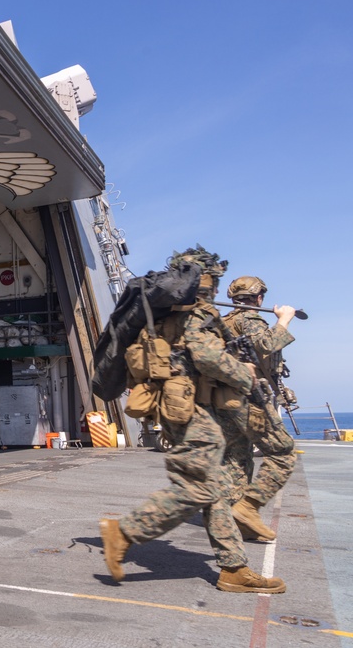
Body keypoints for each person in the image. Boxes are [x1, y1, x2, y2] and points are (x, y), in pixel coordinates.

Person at [99, 247, 285, 594]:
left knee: (211, 489)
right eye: (213, 279)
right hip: (188, 409)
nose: (215, 287)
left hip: (180, 405)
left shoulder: (173, 311)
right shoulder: (195, 312)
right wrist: (244, 375)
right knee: (199, 486)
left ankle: (233, 568)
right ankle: (124, 532)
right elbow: (205, 354)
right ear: (205, 279)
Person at [220, 276, 297, 542]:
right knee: (283, 451)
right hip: (250, 399)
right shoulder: (249, 319)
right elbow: (265, 345)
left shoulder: (226, 321)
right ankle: (249, 507)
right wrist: (284, 319)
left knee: (238, 461)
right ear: (259, 298)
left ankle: (239, 522)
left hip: (228, 400)